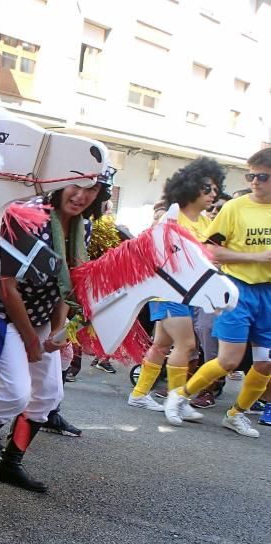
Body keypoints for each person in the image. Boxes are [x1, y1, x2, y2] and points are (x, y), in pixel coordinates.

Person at [0, 176, 110, 497]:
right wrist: (32, 341)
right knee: (14, 394)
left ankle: (10, 462)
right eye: (76, 184)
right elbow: (7, 288)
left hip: (40, 316)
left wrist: (56, 331)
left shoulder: (82, 229)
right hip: (1, 313)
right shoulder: (28, 217)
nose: (81, 195)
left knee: (49, 395)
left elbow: (65, 287)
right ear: (62, 182)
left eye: (92, 189)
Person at [164, 147, 271, 437]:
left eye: (262, 176)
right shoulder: (235, 208)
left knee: (265, 363)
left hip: (269, 295)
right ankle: (180, 395)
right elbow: (210, 250)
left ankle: (236, 415)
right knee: (229, 360)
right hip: (237, 289)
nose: (255, 182)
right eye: (251, 175)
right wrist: (258, 257)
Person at [128, 157, 224, 414]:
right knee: (187, 345)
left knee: (161, 345)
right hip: (166, 292)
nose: (213, 194)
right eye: (207, 187)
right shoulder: (171, 216)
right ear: (191, 186)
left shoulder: (206, 223)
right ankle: (177, 401)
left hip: (187, 295)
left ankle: (139, 394)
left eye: (216, 189)